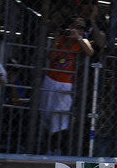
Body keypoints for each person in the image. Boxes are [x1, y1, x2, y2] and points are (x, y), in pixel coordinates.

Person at [40, 17, 95, 151]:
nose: (79, 30)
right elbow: (51, 57)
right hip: (50, 80)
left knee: (60, 119)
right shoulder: (62, 39)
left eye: (82, 28)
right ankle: (43, 146)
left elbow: (90, 52)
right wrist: (57, 40)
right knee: (45, 114)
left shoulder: (82, 41)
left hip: (66, 83)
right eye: (76, 26)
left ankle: (56, 148)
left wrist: (78, 38)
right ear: (70, 26)